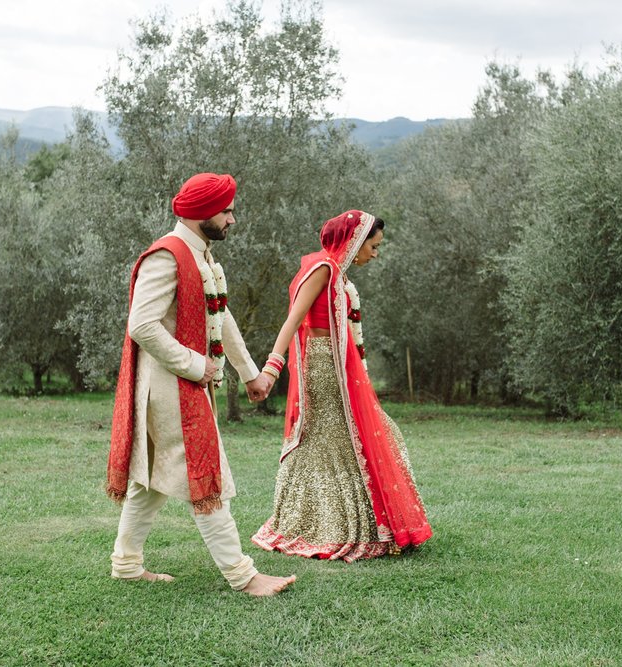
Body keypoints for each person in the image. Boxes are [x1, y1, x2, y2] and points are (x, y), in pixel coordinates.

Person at [106, 172, 295, 596]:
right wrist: (196, 365)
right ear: (203, 213)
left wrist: (249, 374)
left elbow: (220, 318)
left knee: (151, 484)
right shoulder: (168, 257)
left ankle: (126, 564)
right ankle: (244, 577)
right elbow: (141, 325)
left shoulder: (202, 257)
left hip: (182, 387)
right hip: (167, 390)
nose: (232, 219)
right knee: (204, 477)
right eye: (226, 211)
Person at [252, 210, 432, 562]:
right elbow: (294, 318)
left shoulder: (339, 272)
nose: (375, 254)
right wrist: (273, 367)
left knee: (343, 437)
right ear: (354, 241)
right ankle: (325, 525)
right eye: (374, 247)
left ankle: (333, 523)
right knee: (332, 438)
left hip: (339, 364)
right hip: (324, 365)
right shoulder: (323, 268)